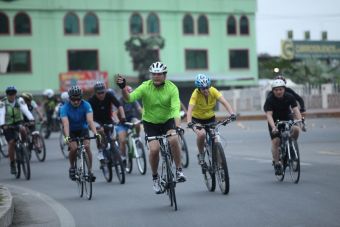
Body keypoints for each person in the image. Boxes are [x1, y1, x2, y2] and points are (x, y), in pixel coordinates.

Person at [116, 61, 186, 194]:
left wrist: (177, 126)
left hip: (168, 121)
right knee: (154, 150)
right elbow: (129, 98)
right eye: (154, 74)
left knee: (174, 140)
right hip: (150, 123)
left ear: (164, 75)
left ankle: (178, 170)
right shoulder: (145, 87)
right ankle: (155, 177)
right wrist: (123, 88)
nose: (156, 76)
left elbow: (175, 109)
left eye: (159, 74)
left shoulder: (172, 88)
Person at [186, 74, 236, 165]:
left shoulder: (213, 90)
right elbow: (189, 110)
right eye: (203, 88)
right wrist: (189, 122)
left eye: (207, 87)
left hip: (210, 118)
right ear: (199, 89)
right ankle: (201, 154)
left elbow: (224, 102)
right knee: (201, 135)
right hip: (197, 119)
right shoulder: (195, 94)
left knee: (216, 139)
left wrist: (232, 113)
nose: (206, 90)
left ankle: (220, 166)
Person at [60, 85, 101, 181]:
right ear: (69, 99)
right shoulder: (64, 108)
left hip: (83, 128)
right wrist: (67, 137)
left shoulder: (86, 105)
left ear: (81, 98)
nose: (76, 102)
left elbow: (90, 121)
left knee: (87, 147)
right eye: (73, 99)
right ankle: (72, 167)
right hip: (71, 130)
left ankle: (90, 171)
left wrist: (96, 133)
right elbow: (66, 124)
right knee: (73, 148)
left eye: (78, 99)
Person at [264, 79, 303, 175]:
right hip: (274, 121)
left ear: (284, 89)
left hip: (287, 118)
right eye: (276, 90)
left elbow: (296, 109)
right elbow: (269, 115)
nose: (278, 92)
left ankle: (291, 144)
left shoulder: (289, 97)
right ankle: (277, 163)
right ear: (273, 91)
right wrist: (273, 127)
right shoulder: (270, 99)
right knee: (276, 141)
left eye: (280, 89)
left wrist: (300, 121)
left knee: (296, 130)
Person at [88, 81, 126, 167]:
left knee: (113, 137)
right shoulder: (91, 100)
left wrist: (123, 117)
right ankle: (100, 151)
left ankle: (114, 151)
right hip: (96, 121)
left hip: (108, 120)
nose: (101, 95)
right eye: (99, 93)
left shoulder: (109, 95)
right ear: (95, 93)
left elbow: (119, 106)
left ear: (105, 91)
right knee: (100, 131)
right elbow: (87, 114)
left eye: (103, 92)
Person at [0, 86, 34, 174]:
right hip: (8, 125)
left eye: (13, 93)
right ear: (7, 95)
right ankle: (12, 163)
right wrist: (3, 125)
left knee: (23, 129)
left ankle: (24, 147)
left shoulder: (20, 100)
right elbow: (1, 114)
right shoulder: (3, 103)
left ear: (15, 94)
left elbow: (26, 111)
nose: (12, 96)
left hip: (19, 122)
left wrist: (31, 119)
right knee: (11, 143)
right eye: (10, 94)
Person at [115, 86, 143, 163]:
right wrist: (117, 120)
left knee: (137, 123)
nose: (130, 95)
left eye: (131, 93)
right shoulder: (119, 101)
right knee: (123, 141)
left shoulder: (133, 100)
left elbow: (139, 109)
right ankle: (123, 157)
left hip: (131, 119)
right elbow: (115, 113)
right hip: (122, 122)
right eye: (128, 93)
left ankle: (137, 137)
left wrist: (144, 116)